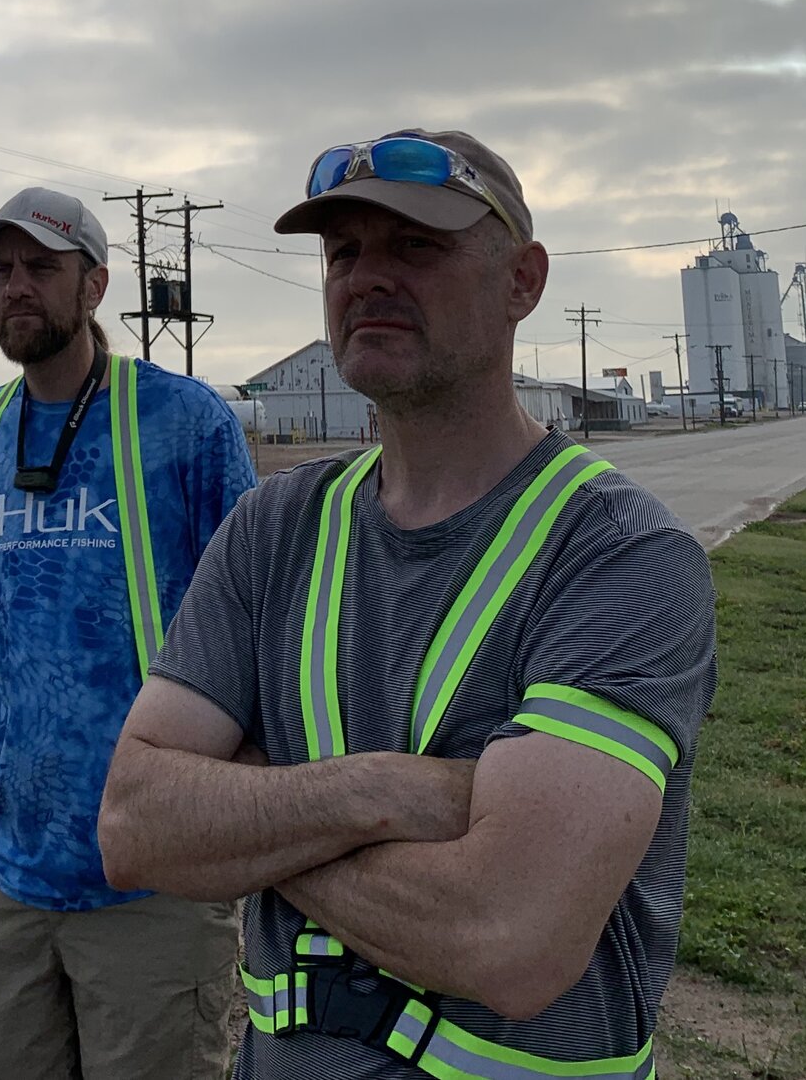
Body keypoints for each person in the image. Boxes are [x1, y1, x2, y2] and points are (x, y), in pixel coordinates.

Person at [98, 130, 715, 1080]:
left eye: (417, 245)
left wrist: (253, 819)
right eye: (343, 251)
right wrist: (384, 792)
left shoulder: (620, 553)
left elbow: (507, 935)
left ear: (523, 281)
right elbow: (135, 824)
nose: (367, 276)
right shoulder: (273, 528)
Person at [0, 186, 259, 1080]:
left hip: (155, 882)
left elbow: (254, 628)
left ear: (95, 285)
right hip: (0, 874)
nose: (16, 285)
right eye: (1, 269)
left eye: (41, 267)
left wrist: (233, 820)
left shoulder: (186, 423)